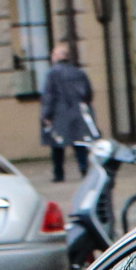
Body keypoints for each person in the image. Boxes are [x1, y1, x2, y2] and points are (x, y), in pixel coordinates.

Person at [39, 42, 93, 182]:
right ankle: (83, 168)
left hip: (59, 113)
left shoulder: (52, 73)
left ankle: (59, 174)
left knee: (57, 145)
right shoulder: (78, 72)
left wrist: (46, 115)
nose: (52, 56)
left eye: (54, 53)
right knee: (79, 143)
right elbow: (88, 93)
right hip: (78, 113)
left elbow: (49, 95)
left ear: (60, 56)